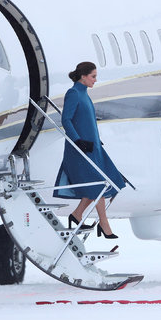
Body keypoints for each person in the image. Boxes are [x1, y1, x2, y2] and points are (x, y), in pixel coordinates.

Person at [54, 61, 126, 239]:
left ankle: (77, 214)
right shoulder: (73, 93)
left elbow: (86, 122)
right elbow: (66, 120)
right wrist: (77, 141)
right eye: (93, 76)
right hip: (80, 149)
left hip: (92, 147)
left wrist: (96, 140)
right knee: (98, 184)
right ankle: (104, 223)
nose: (95, 80)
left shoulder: (85, 94)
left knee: (98, 183)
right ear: (83, 76)